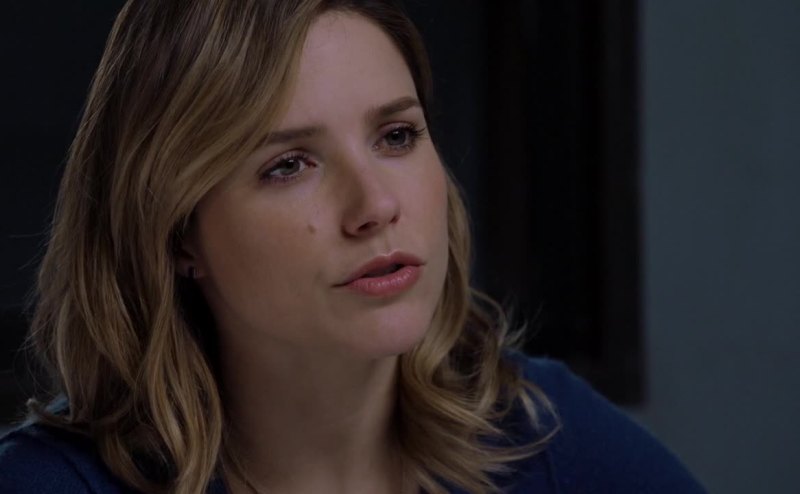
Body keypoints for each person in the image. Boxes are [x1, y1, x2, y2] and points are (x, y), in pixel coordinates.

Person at [0, 1, 706, 493]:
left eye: (396, 136)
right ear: (177, 231)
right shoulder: (46, 485)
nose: (375, 206)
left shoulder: (540, 432)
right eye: (289, 165)